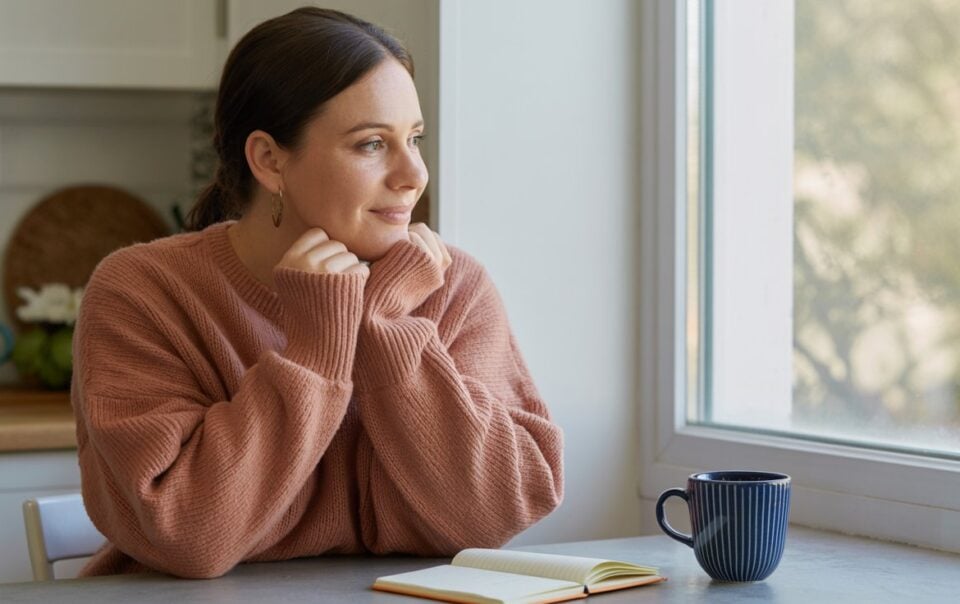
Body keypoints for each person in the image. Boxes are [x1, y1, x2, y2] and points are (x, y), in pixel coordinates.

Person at [71, 7, 564, 579]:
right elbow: (188, 534)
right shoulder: (144, 292)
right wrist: (313, 350)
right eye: (372, 144)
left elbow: (502, 512)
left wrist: (385, 327)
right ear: (269, 160)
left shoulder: (452, 286)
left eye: (415, 138)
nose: (414, 174)